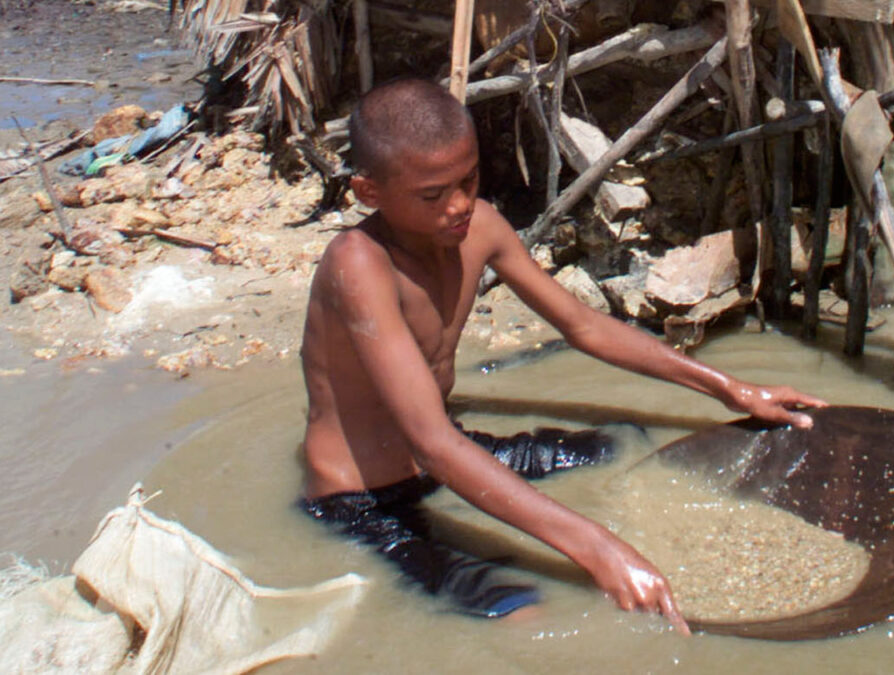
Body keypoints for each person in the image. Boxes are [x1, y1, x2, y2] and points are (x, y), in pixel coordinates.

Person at [297, 77, 827, 634]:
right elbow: (431, 444)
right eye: (432, 195)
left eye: (469, 179)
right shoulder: (357, 265)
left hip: (449, 455)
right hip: (365, 499)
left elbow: (583, 326)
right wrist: (598, 549)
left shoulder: (480, 226)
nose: (459, 206)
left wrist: (734, 389)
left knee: (618, 445)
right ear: (369, 193)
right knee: (522, 612)